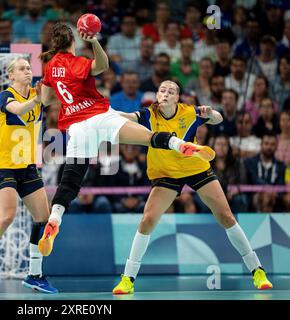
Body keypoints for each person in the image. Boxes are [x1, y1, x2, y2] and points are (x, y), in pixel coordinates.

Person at [37, 23, 216, 258]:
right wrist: (93, 41)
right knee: (149, 138)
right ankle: (180, 144)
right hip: (100, 116)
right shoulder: (77, 61)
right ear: (73, 42)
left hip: (77, 128)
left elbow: (48, 100)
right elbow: (102, 65)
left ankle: (54, 218)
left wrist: (42, 88)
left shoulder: (50, 67)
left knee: (70, 181)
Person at [111, 80, 273, 295]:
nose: (166, 93)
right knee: (147, 220)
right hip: (166, 172)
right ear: (157, 95)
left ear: (177, 97)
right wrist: (107, 113)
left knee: (226, 217)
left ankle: (257, 271)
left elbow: (217, 119)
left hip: (195, 167)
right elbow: (129, 118)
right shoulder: (149, 114)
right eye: (162, 90)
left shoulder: (189, 112)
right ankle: (127, 278)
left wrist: (211, 113)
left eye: (171, 91)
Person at [0, 57, 57, 293]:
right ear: (11, 75)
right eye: (22, 68)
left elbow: (52, 96)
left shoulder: (38, 94)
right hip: (5, 165)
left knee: (44, 218)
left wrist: (55, 71)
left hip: (28, 166)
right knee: (7, 215)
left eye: (29, 68)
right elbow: (19, 109)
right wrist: (36, 99)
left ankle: (35, 274)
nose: (27, 71)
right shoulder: (6, 96)